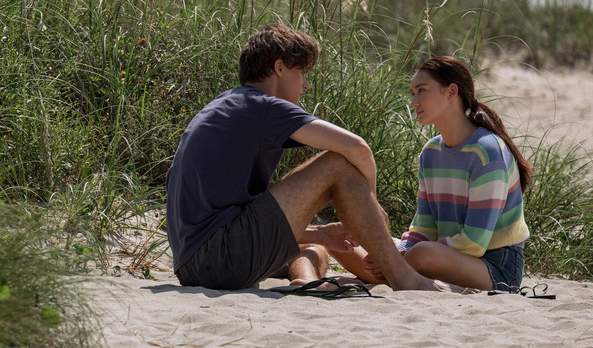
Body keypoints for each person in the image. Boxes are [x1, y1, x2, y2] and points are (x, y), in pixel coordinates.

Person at [165, 23, 462, 292]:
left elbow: (223, 216)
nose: (306, 84)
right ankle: (406, 278)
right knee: (337, 164)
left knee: (316, 248)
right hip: (220, 258)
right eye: (302, 73)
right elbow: (358, 148)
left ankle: (304, 281)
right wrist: (373, 207)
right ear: (279, 68)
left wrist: (320, 233)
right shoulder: (263, 105)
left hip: (195, 265)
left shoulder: (228, 104)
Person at [364, 55, 533, 292]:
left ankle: (395, 277)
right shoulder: (430, 152)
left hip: (495, 266)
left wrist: (399, 259)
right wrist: (400, 251)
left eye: (421, 90)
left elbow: (474, 242)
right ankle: (407, 277)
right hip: (444, 255)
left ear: (451, 92)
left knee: (420, 254)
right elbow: (424, 226)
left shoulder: (487, 151)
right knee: (356, 243)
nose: (414, 101)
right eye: (413, 93)